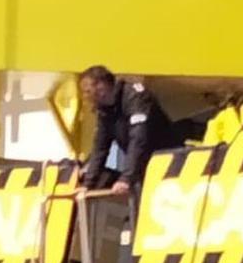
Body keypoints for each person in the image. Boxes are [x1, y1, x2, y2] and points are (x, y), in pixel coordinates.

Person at [78, 65, 182, 195]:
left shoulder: (136, 98)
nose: (84, 96)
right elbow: (100, 148)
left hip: (168, 165)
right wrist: (87, 185)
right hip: (144, 168)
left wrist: (126, 178)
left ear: (101, 87)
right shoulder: (104, 111)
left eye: (87, 91)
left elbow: (138, 138)